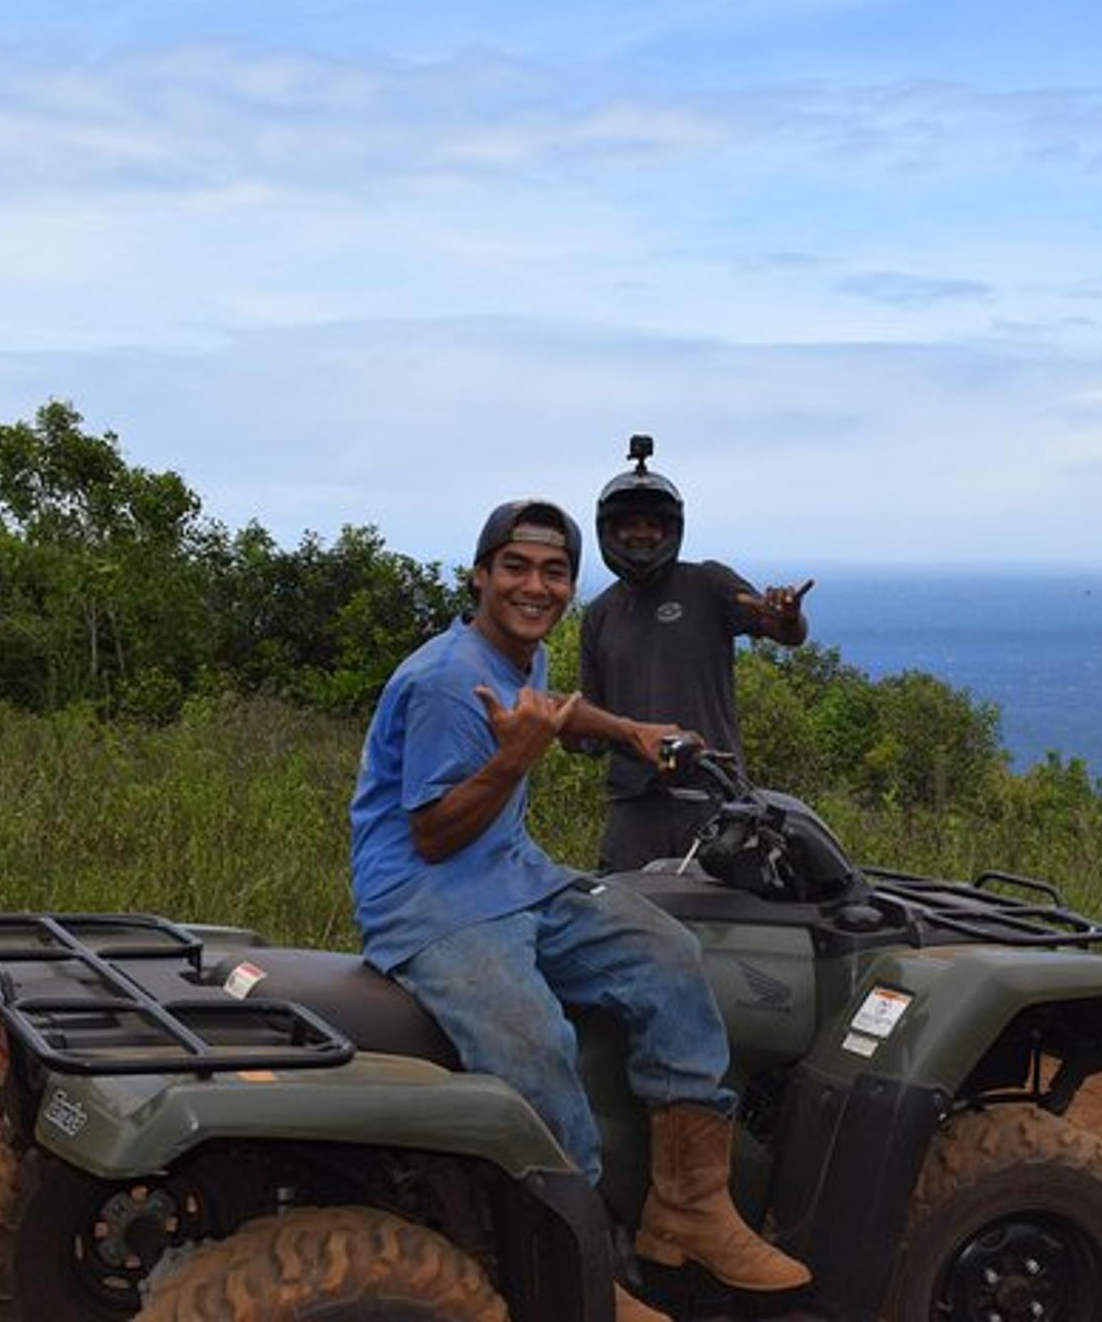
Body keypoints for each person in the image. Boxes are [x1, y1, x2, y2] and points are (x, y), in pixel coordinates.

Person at [348, 499, 810, 1322]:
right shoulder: (448, 680)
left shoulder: (516, 650)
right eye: (517, 568)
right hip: (430, 901)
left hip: (515, 877)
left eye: (553, 571)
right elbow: (433, 835)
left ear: (569, 582)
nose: (536, 585)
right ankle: (581, 1269)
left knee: (667, 954)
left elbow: (556, 708)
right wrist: (513, 760)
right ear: (481, 575)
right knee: (536, 1048)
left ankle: (689, 1206)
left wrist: (630, 728)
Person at [580, 438, 813, 873]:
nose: (641, 533)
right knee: (624, 919)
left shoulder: (708, 584)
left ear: (672, 530)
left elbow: (784, 631)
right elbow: (590, 723)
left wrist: (787, 616)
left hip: (715, 796)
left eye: (653, 524)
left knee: (728, 924)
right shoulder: (600, 614)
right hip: (635, 802)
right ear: (608, 531)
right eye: (628, 524)